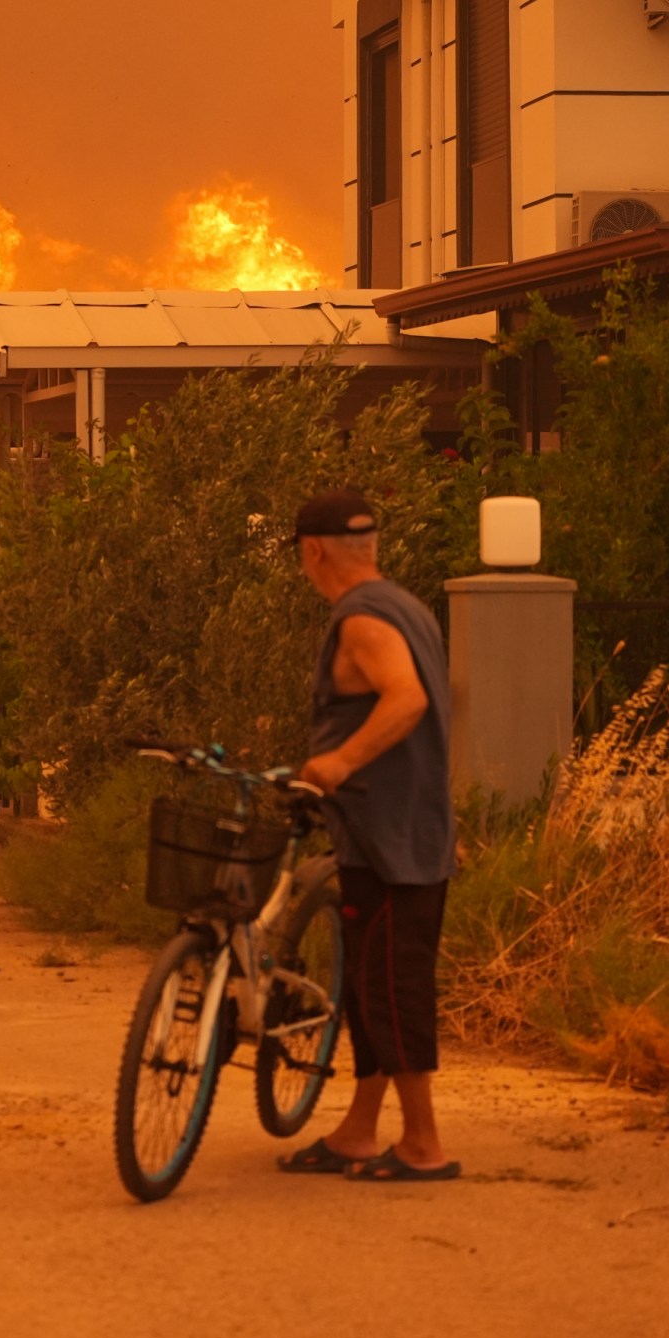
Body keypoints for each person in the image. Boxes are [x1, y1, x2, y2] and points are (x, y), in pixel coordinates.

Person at [280, 489, 459, 1183]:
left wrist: (338, 762)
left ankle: (423, 1144)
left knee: (391, 988)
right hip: (400, 827)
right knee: (369, 984)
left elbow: (408, 699)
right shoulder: (407, 607)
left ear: (312, 551)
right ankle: (359, 1130)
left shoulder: (360, 619)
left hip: (392, 840)